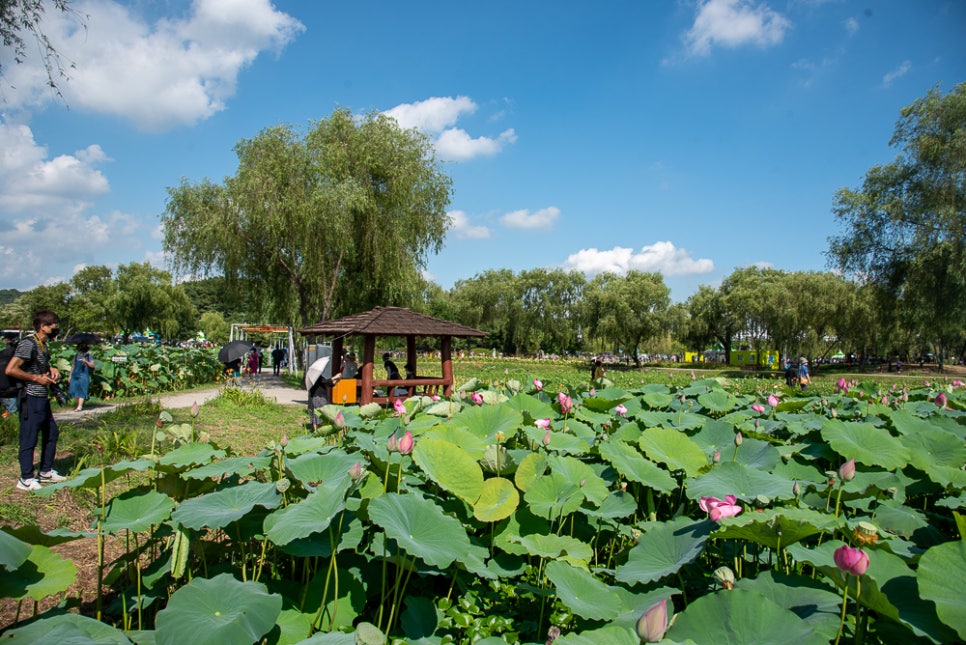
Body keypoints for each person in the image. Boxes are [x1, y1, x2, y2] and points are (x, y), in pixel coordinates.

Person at [5, 310, 68, 491]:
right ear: (42, 326)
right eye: (53, 327)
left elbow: (37, 364)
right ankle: (25, 479)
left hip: (42, 396)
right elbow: (11, 369)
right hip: (30, 396)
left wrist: (50, 368)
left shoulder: (42, 344)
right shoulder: (28, 344)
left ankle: (46, 472)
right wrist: (35, 378)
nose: (56, 330)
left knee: (52, 433)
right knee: (29, 437)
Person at [68, 342, 95, 411]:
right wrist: (70, 376)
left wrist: (86, 361)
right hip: (75, 374)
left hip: (83, 375)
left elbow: (92, 365)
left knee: (82, 389)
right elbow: (73, 366)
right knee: (73, 390)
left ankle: (79, 406)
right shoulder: (76, 356)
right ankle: (79, 404)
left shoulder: (89, 356)